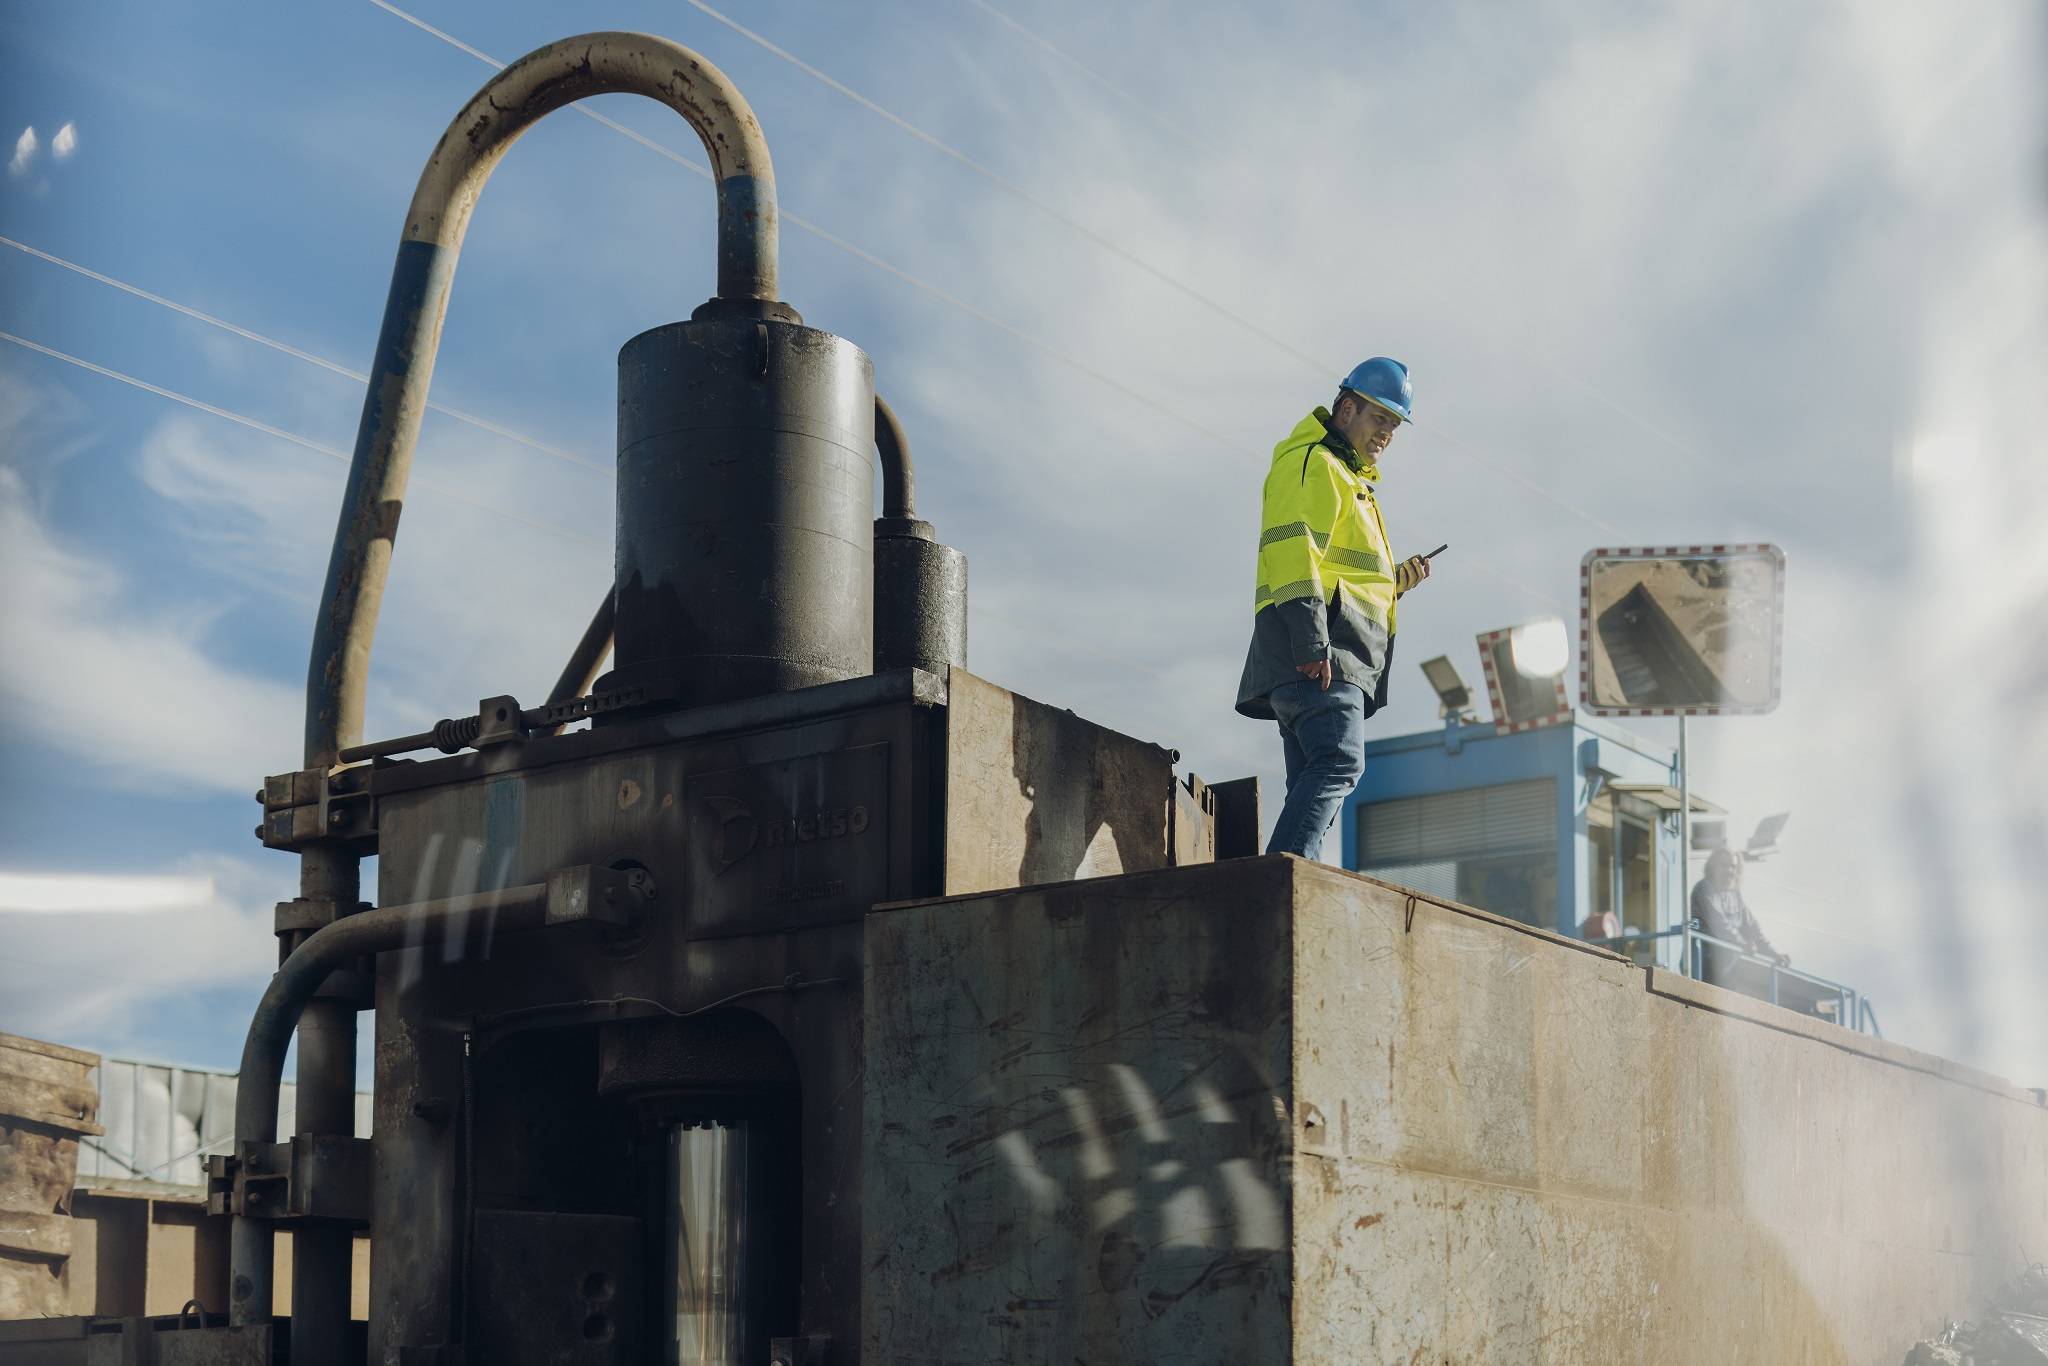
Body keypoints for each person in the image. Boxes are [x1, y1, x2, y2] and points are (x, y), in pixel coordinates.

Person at [1236, 357, 1434, 860]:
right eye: (1378, 418)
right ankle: (1278, 883)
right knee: (1340, 763)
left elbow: (1345, 576)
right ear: (1346, 409)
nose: (1386, 433)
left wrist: (1395, 585)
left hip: (1322, 656)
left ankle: (1294, 887)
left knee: (1313, 782)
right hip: (1322, 658)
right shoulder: (1318, 464)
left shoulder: (1349, 480)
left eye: (1394, 424)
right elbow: (1292, 550)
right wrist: (1310, 642)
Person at [1689, 848, 1787, 984]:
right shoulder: (1704, 889)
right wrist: (1742, 943)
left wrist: (1774, 954)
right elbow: (1720, 925)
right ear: (1712, 867)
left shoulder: (1735, 894)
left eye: (1733, 866)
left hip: (1727, 969)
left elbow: (1753, 929)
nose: (1729, 871)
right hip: (1702, 966)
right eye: (1724, 865)